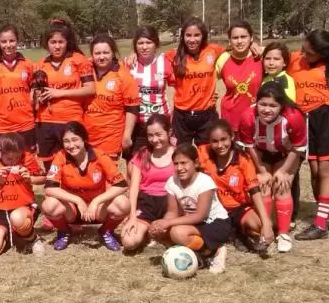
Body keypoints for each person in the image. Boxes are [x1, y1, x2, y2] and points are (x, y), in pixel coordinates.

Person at [237, 81, 307, 253]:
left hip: (287, 153)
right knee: (264, 186)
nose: (266, 109)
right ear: (256, 102)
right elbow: (249, 146)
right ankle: (264, 229)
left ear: (281, 106)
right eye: (262, 104)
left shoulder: (293, 117)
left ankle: (283, 233)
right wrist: (261, 171)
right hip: (261, 152)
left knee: (282, 186)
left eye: (272, 106)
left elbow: (297, 148)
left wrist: (283, 171)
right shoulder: (247, 116)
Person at [40, 122, 130, 251]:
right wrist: (77, 200)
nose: (71, 145)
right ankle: (64, 231)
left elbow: (122, 185)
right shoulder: (60, 157)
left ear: (84, 139)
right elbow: (49, 188)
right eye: (66, 141)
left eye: (75, 139)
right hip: (73, 211)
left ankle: (106, 231)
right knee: (48, 205)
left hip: (97, 210)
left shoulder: (100, 155)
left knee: (123, 204)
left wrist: (96, 201)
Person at [290, 30, 329, 241]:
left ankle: (320, 224)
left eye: (309, 53)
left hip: (326, 117)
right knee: (313, 170)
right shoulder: (295, 59)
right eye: (303, 48)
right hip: (303, 118)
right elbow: (272, 56)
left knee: (325, 169)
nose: (303, 54)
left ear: (322, 55)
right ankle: (325, 215)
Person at [148, 143, 232, 274]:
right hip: (193, 222)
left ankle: (213, 252)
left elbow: (200, 216)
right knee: (157, 230)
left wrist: (168, 223)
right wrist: (160, 225)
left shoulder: (205, 182)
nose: (179, 168)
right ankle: (187, 253)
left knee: (178, 233)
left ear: (196, 163)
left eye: (184, 163)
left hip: (215, 222)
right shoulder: (172, 182)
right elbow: (172, 212)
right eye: (176, 164)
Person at [198, 119, 274, 252]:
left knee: (258, 225)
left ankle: (240, 233)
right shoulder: (202, 153)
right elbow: (185, 160)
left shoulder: (243, 159)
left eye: (224, 139)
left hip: (238, 208)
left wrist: (266, 222)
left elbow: (254, 190)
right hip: (215, 209)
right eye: (215, 141)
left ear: (232, 137)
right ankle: (232, 234)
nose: (220, 145)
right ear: (209, 142)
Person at [33, 19, 95, 166]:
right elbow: (36, 93)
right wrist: (38, 97)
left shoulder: (79, 60)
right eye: (53, 42)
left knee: (72, 163)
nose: (57, 46)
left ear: (67, 42)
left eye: (61, 42)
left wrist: (58, 93)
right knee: (49, 166)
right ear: (46, 43)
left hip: (70, 120)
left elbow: (90, 89)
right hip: (45, 122)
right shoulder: (41, 64)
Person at [0, 133, 45, 257]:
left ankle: (33, 239)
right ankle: (11, 236)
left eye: (17, 158)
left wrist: (30, 179)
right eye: (9, 159)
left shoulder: (27, 157)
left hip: (23, 207)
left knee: (17, 218)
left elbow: (44, 178)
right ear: (0, 152)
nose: (13, 162)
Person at [120, 115, 176, 252]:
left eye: (159, 134)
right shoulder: (142, 154)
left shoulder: (178, 154)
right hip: (147, 202)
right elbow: (133, 188)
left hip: (171, 204)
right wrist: (132, 216)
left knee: (175, 236)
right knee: (129, 242)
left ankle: (156, 232)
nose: (155, 140)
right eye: (150, 135)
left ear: (169, 132)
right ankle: (146, 231)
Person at [166, 18, 225, 145]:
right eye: (188, 35)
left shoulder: (213, 50)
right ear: (183, 36)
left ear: (203, 35)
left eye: (197, 35)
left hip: (207, 115)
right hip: (182, 116)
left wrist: (252, 44)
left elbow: (236, 51)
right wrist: (133, 54)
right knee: (182, 155)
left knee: (206, 156)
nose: (192, 40)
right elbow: (150, 59)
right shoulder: (173, 55)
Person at [82, 34, 139, 160]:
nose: (101, 57)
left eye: (106, 52)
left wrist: (127, 135)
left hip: (110, 136)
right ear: (92, 55)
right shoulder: (85, 70)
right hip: (85, 135)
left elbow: (132, 108)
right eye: (97, 53)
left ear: (113, 53)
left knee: (106, 175)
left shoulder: (123, 75)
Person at [0, 24, 36, 151]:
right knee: (2, 165)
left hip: (25, 123)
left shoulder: (28, 64)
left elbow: (34, 90)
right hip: (1, 125)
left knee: (27, 164)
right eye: (4, 41)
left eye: (12, 40)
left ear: (17, 41)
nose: (8, 45)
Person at [128, 27, 173, 153]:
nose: (144, 47)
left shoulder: (166, 61)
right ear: (135, 46)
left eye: (149, 42)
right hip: (136, 124)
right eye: (140, 43)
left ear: (156, 44)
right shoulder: (127, 64)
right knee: (134, 165)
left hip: (160, 123)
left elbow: (179, 88)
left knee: (161, 162)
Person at [216, 21, 263, 133]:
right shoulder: (223, 58)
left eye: (243, 37)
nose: (239, 41)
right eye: (235, 38)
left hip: (257, 116)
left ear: (251, 38)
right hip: (231, 117)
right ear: (229, 40)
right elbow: (208, 80)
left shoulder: (260, 56)